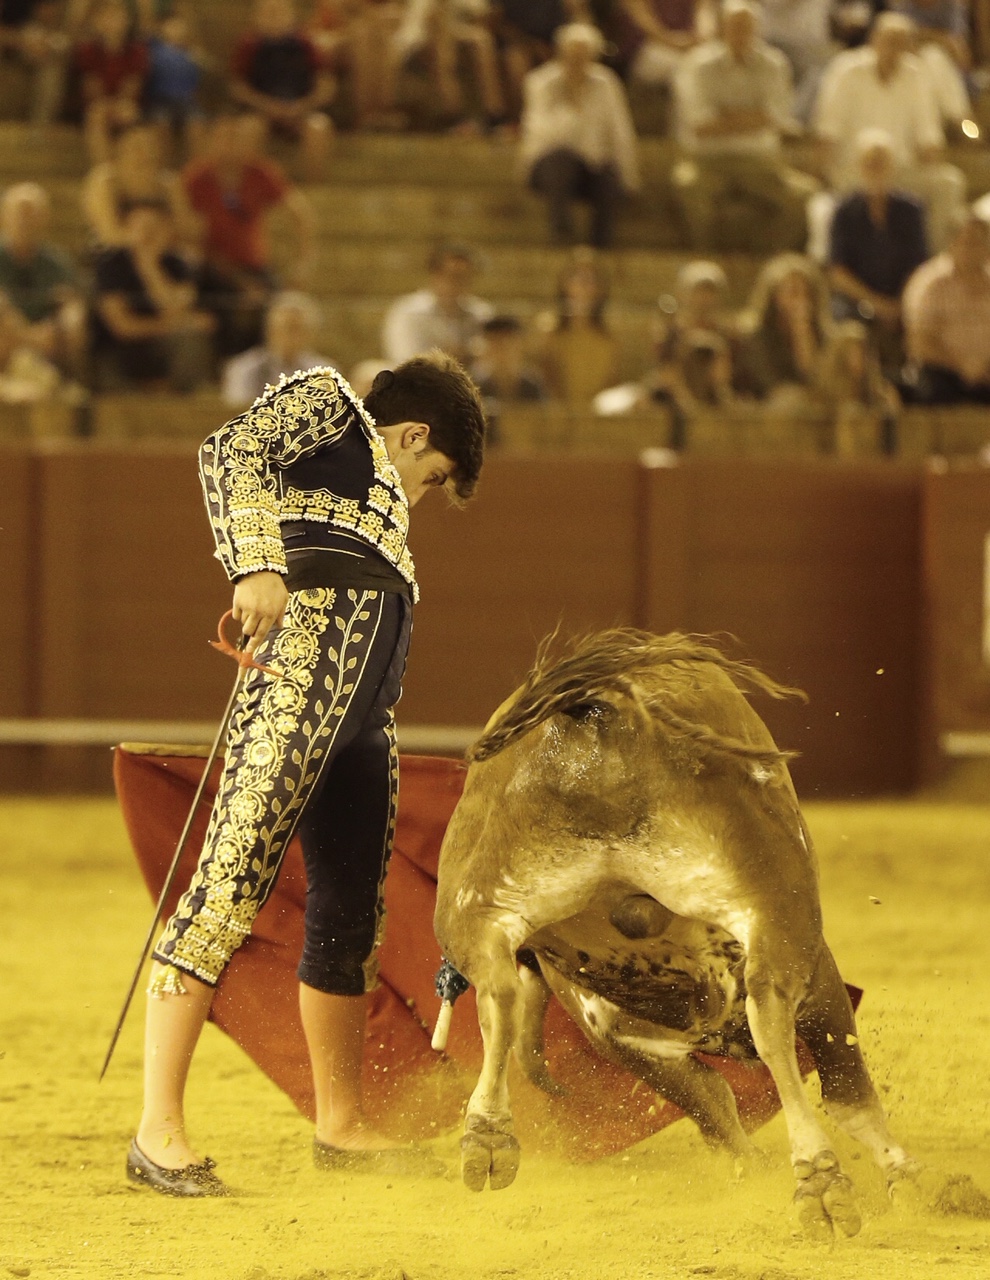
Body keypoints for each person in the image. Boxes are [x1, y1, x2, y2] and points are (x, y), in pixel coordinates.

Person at [128, 354, 486, 1197]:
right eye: (434, 476)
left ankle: (342, 1124)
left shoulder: (378, 507)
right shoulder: (329, 404)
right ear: (413, 435)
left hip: (363, 725)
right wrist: (256, 563)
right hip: (293, 695)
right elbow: (232, 449)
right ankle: (156, 1132)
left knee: (351, 912)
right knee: (225, 887)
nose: (424, 495)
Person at [812, 12, 966, 251]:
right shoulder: (845, 70)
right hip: (854, 171)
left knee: (948, 183)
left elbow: (929, 138)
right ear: (874, 39)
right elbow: (827, 131)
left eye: (902, 42)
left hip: (899, 172)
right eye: (890, 40)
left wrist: (929, 157)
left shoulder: (918, 75)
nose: (895, 48)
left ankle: (931, 258)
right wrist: (826, 174)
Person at [672, 0, 816, 252]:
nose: (740, 33)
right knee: (689, 186)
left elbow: (777, 117)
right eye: (734, 26)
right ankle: (706, 259)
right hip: (707, 161)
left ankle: (765, 259)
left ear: (757, 29)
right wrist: (755, 117)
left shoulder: (774, 64)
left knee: (805, 196)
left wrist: (724, 117)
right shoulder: (698, 64)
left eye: (746, 26)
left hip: (760, 162)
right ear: (722, 28)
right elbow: (700, 125)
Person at [183, 112, 318, 357]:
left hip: (254, 267)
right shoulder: (197, 179)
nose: (230, 145)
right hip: (212, 270)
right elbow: (191, 238)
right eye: (224, 138)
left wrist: (302, 264)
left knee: (279, 307)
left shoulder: (260, 172)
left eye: (236, 138)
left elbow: (299, 214)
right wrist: (239, 281)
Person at [520, 22, 640, 249]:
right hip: (549, 166)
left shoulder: (606, 83)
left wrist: (629, 177)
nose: (576, 61)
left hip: (591, 165)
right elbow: (543, 134)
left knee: (608, 174)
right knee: (562, 160)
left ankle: (601, 246)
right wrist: (572, 105)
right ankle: (561, 237)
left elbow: (620, 131)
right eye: (572, 55)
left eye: (583, 56)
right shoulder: (540, 82)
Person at [828, 129, 928, 372]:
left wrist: (900, 303)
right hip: (860, 299)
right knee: (842, 317)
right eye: (870, 163)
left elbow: (920, 265)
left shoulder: (911, 210)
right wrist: (878, 305)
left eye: (881, 163)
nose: (876, 169)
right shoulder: (845, 211)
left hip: (902, 295)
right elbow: (838, 272)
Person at [91, 200, 214, 391]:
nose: (147, 235)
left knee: (192, 339)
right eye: (141, 228)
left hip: (164, 348)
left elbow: (177, 308)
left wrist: (150, 267)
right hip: (118, 352)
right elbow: (122, 326)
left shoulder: (178, 265)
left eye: (155, 228)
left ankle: (184, 397)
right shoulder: (111, 265)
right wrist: (172, 324)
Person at [230, 0, 335, 181]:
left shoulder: (306, 43)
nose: (274, 17)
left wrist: (303, 106)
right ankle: (252, 186)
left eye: (279, 12)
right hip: (261, 111)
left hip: (301, 109)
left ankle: (315, 185)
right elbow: (238, 87)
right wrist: (266, 106)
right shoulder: (249, 45)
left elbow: (326, 84)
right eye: (268, 12)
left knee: (319, 127)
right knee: (248, 128)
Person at [0, 181, 86, 374]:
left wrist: (64, 324)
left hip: (47, 338)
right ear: (5, 217)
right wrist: (27, 336)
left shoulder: (57, 262)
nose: (25, 221)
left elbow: (70, 302)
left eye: (33, 214)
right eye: (20, 213)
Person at [904, 211, 990, 403]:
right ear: (952, 244)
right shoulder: (930, 283)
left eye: (981, 243)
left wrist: (983, 366)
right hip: (944, 371)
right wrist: (963, 364)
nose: (975, 249)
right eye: (969, 242)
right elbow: (919, 343)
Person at [736, 251, 832, 409]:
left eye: (807, 293)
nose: (801, 300)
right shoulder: (755, 336)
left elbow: (818, 381)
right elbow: (769, 383)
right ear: (774, 295)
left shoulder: (823, 335)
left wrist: (803, 335)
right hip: (764, 408)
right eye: (793, 292)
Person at [81, 122, 199, 250]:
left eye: (150, 146)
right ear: (119, 150)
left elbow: (188, 229)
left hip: (163, 249)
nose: (145, 154)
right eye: (137, 147)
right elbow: (108, 233)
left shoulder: (168, 183)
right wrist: (143, 239)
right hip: (115, 251)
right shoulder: (105, 181)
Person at [534, 247, 620, 408]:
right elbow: (546, 379)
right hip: (559, 413)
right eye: (577, 276)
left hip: (597, 414)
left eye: (591, 279)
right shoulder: (549, 329)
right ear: (564, 283)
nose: (584, 284)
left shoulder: (609, 336)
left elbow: (611, 384)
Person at [382, 243, 493, 365]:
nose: (459, 283)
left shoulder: (480, 312)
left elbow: (489, 359)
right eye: (453, 276)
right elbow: (405, 359)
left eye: (466, 277)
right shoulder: (408, 312)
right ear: (435, 275)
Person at [221, 290, 331, 405]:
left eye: (298, 329)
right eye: (286, 328)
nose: (291, 336)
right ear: (270, 330)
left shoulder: (324, 372)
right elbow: (237, 410)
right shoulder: (244, 369)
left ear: (311, 334)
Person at [73, 0, 149, 163]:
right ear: (96, 21)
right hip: (98, 103)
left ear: (127, 20)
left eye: (116, 16)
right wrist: (106, 104)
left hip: (125, 102)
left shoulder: (137, 50)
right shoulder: (88, 49)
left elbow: (133, 86)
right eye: (106, 16)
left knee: (129, 114)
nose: (111, 21)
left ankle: (128, 164)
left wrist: (120, 104)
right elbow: (91, 86)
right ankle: (104, 167)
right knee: (97, 115)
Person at [0, 0, 72, 125]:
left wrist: (45, 47)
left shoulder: (58, 29)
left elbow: (64, 45)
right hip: (14, 52)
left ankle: (40, 126)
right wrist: (24, 43)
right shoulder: (23, 20)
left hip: (45, 57)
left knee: (51, 73)